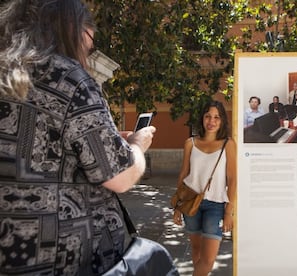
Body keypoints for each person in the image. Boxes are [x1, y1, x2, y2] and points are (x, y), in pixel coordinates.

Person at [0, 1, 156, 275]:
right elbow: (120, 176)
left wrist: (103, 139)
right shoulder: (69, 78)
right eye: (89, 43)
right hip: (66, 256)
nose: (88, 50)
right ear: (72, 28)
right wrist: (136, 145)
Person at [173, 101, 236, 276]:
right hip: (190, 203)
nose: (212, 121)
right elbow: (183, 175)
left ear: (222, 120)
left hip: (215, 205)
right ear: (202, 118)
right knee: (196, 250)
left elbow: (232, 179)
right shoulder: (190, 143)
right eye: (208, 116)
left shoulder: (228, 144)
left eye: (217, 117)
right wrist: (177, 206)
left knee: (208, 259)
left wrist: (229, 211)